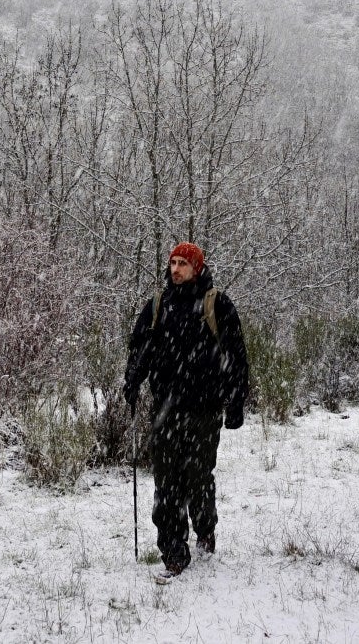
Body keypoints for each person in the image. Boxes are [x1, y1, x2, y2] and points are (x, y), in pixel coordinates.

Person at [124, 241, 250, 579]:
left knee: (198, 480)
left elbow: (236, 356)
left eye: (183, 263)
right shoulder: (157, 305)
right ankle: (173, 554)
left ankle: (205, 529)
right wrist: (133, 381)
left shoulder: (216, 304)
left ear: (197, 267)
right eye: (173, 262)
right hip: (164, 410)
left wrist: (236, 401)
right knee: (166, 484)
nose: (176, 269)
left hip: (204, 411)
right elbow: (140, 348)